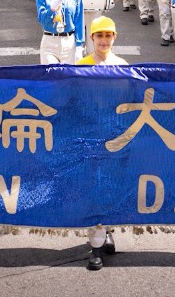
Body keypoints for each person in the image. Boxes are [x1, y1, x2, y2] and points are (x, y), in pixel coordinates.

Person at [76, 15, 126, 270]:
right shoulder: (81, 66)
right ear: (91, 38)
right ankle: (95, 246)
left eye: (108, 35)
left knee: (112, 188)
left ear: (114, 38)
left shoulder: (123, 66)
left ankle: (106, 231)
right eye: (99, 36)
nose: (104, 40)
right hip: (90, 139)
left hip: (116, 140)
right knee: (95, 188)